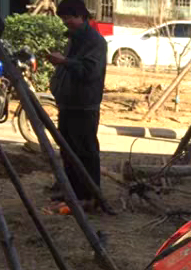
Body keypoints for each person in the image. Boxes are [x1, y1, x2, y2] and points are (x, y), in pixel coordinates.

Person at [46, 0, 107, 209]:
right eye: (63, 18)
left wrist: (63, 61)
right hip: (68, 103)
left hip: (84, 105)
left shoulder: (95, 41)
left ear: (81, 16)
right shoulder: (74, 38)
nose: (65, 22)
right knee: (68, 150)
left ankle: (89, 195)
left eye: (68, 18)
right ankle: (71, 192)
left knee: (85, 151)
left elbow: (89, 71)